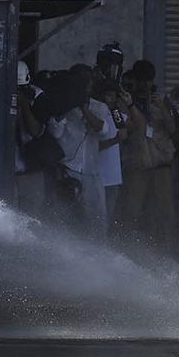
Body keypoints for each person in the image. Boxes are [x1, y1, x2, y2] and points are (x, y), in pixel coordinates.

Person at [118, 60, 177, 245]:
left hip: (161, 163)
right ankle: (128, 247)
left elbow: (173, 128)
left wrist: (163, 108)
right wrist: (130, 105)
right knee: (132, 209)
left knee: (165, 210)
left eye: (148, 81)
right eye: (141, 80)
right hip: (137, 163)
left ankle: (166, 247)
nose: (145, 85)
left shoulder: (161, 99)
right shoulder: (126, 100)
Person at [47, 64, 111, 232]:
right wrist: (67, 108)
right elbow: (56, 133)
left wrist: (85, 109)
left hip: (92, 171)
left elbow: (104, 131)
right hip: (67, 168)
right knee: (65, 218)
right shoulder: (64, 105)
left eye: (87, 82)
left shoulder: (100, 107)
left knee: (97, 221)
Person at [95, 78, 129, 230]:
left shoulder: (117, 115)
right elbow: (94, 146)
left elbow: (132, 127)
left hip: (114, 176)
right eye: (108, 95)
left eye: (114, 96)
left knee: (109, 218)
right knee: (98, 218)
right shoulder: (96, 115)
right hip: (97, 175)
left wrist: (127, 102)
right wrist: (115, 140)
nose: (111, 99)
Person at [14, 60, 46, 215]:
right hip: (6, 171)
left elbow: (35, 130)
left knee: (32, 217)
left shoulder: (37, 98)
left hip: (31, 171)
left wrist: (23, 105)